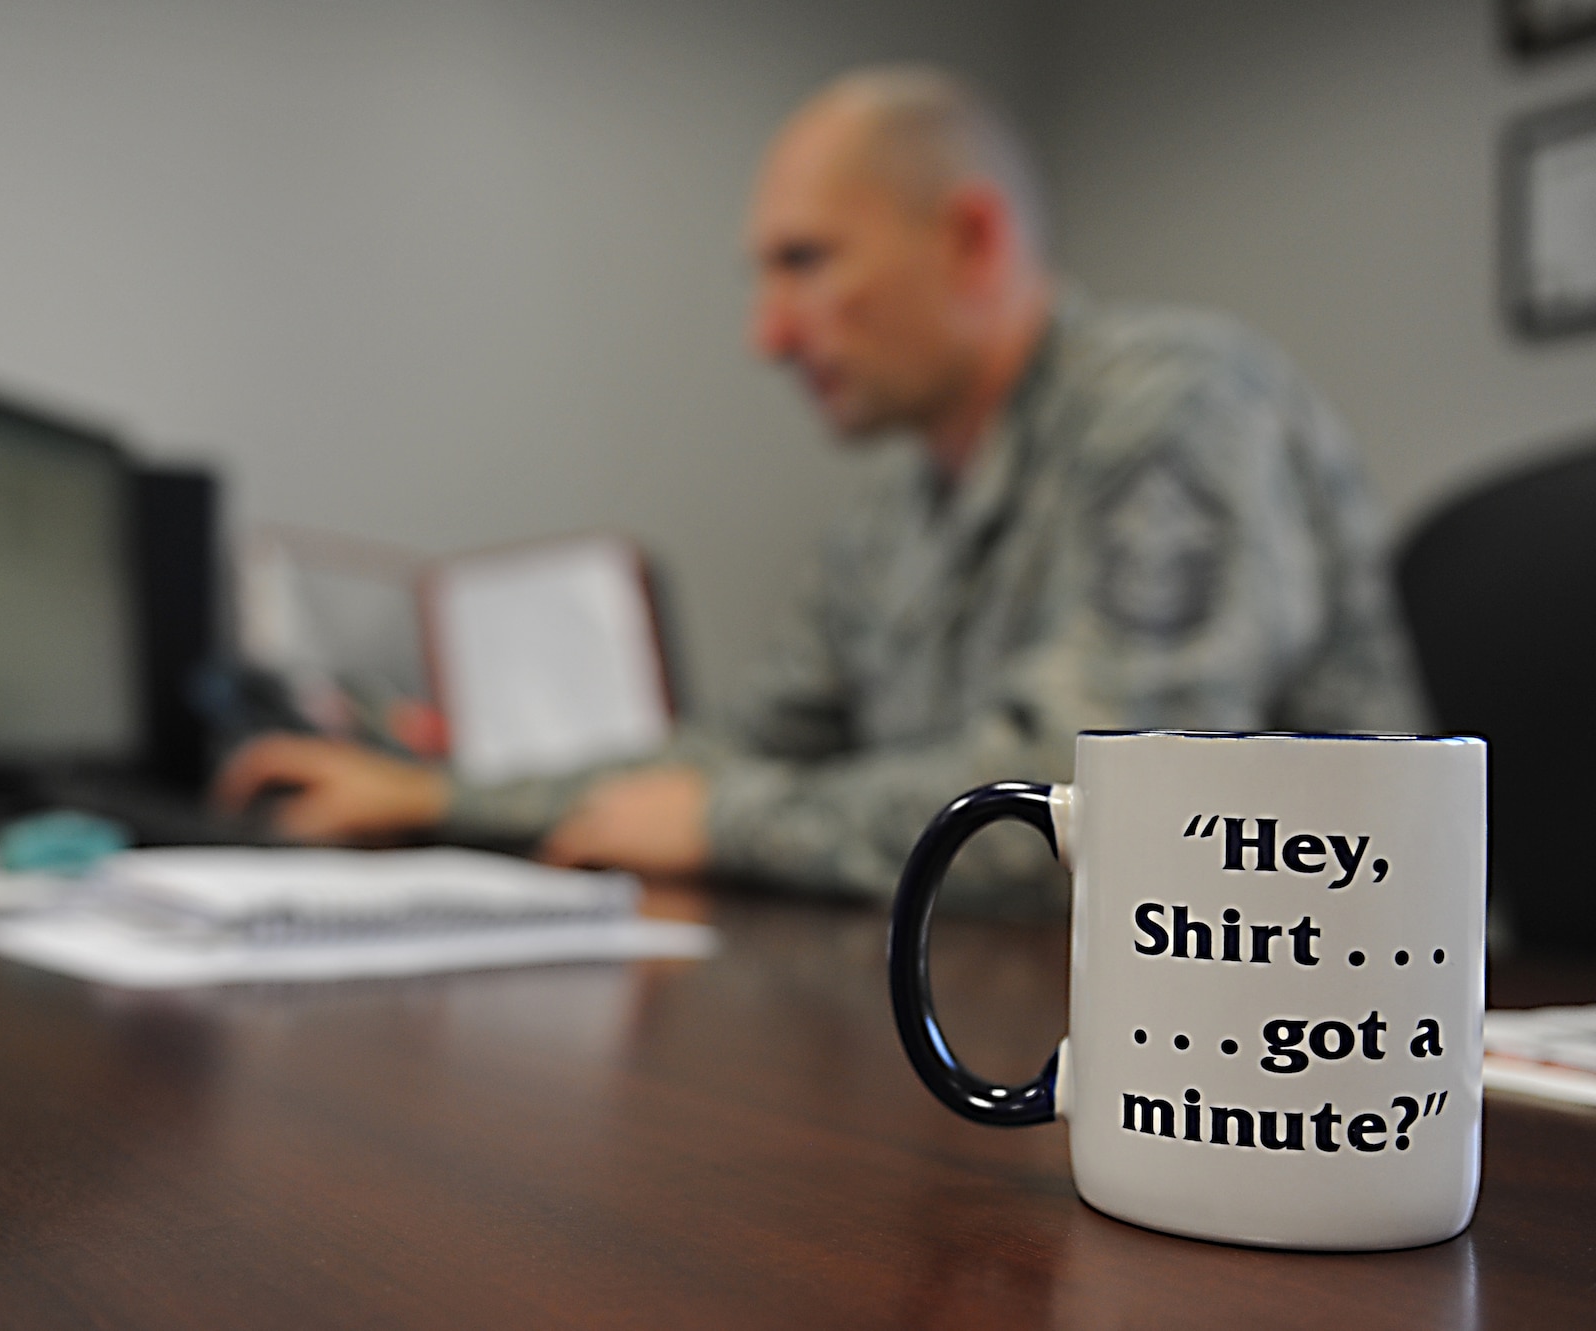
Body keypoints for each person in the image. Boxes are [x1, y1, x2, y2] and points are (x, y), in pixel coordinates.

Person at [213, 65, 1426, 910]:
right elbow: (730, 752)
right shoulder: (889, 520)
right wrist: (438, 795)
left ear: (969, 240)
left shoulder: (1178, 400)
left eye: (803, 262)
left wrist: (729, 823)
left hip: (1328, 1062)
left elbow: (1101, 811)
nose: (766, 333)